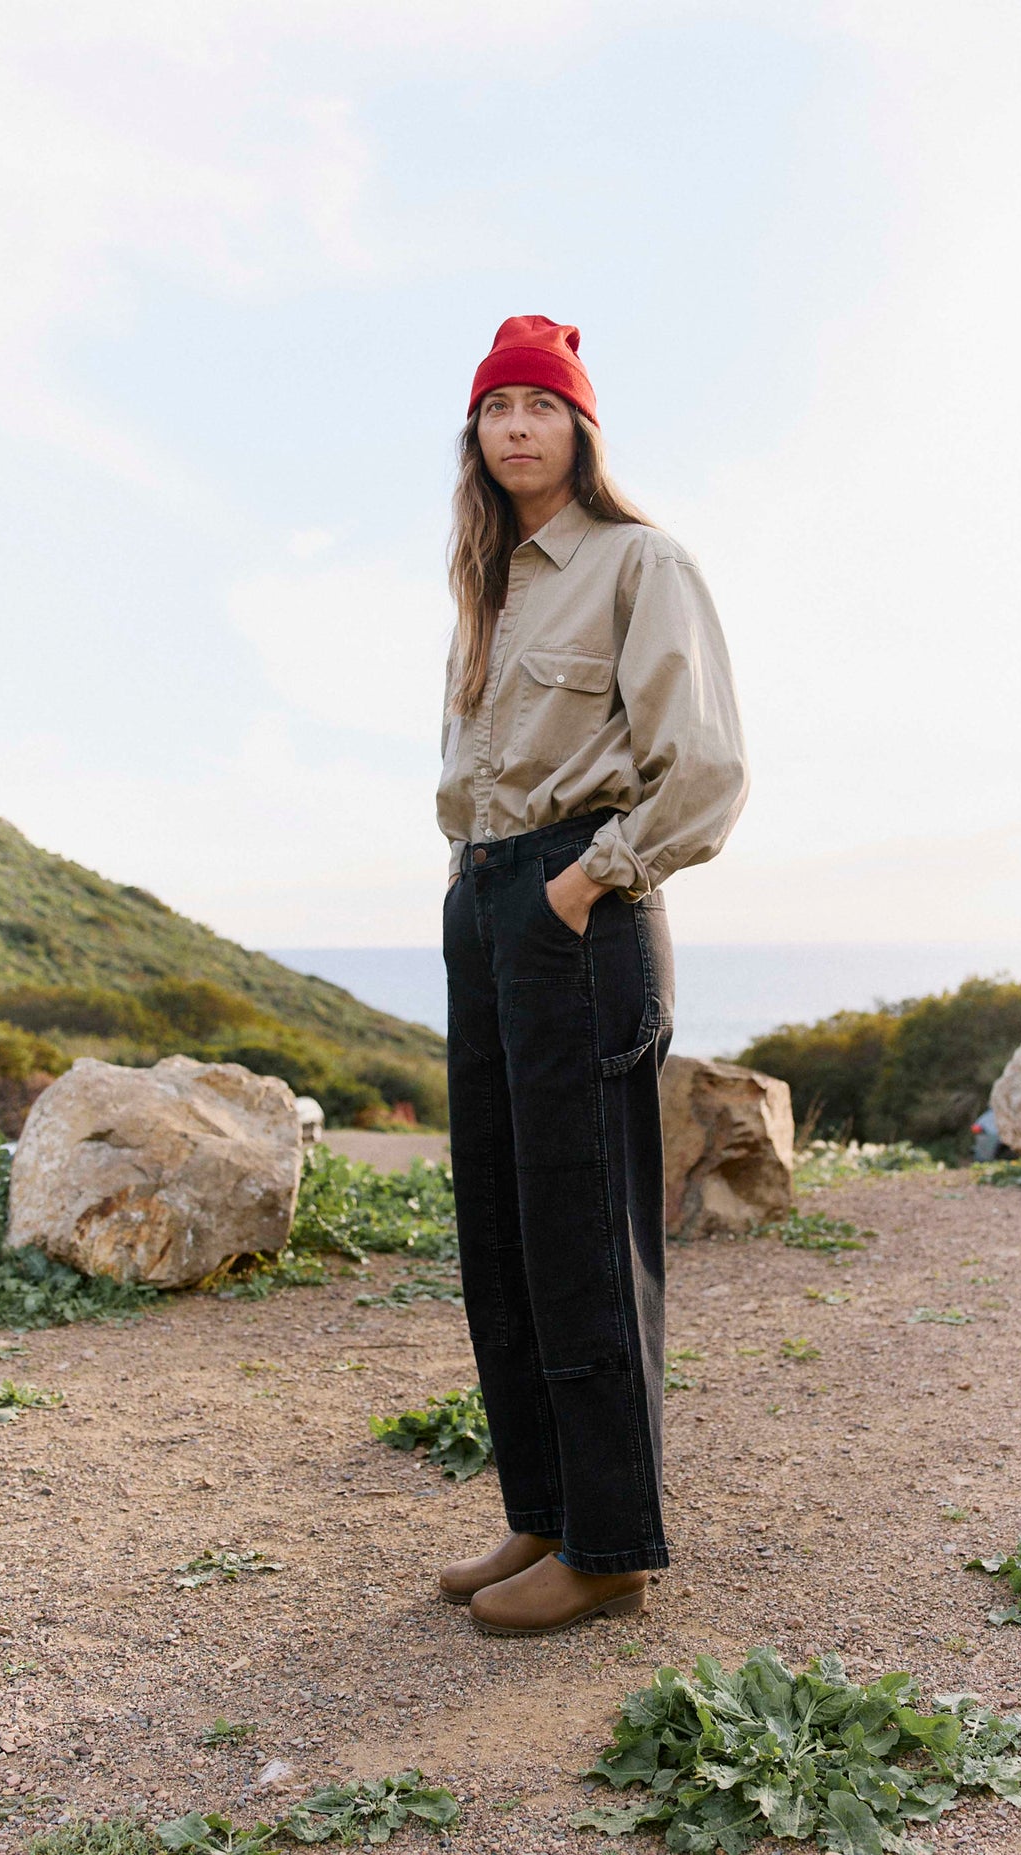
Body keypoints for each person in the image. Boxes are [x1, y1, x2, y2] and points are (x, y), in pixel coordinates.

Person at [435, 315, 749, 1636]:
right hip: (489, 896)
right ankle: (544, 1509)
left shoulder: (639, 563)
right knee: (502, 1229)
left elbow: (708, 773)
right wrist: (484, 892)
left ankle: (611, 1547)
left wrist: (577, 884)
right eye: (497, 407)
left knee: (580, 1230)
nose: (517, 428)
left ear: (580, 428)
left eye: (540, 406)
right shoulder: (490, 589)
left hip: (582, 902)